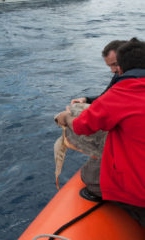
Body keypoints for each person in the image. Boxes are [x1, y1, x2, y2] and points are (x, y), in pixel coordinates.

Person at [56, 38, 145, 226]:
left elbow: (82, 127)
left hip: (139, 193)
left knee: (89, 176)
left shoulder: (120, 93)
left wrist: (66, 118)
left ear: (121, 68)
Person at [71, 40, 127, 105]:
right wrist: (86, 99)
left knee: (65, 114)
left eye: (115, 64)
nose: (113, 70)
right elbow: (105, 96)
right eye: (110, 66)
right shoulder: (119, 74)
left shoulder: (135, 78)